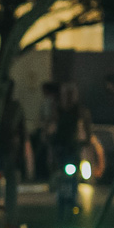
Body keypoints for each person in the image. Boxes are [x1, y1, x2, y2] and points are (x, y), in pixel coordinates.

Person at [49, 81, 89, 219]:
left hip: (73, 148)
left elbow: (86, 126)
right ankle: (60, 197)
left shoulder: (79, 111)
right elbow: (52, 127)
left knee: (74, 176)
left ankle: (73, 198)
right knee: (59, 174)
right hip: (61, 148)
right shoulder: (58, 110)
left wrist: (85, 140)